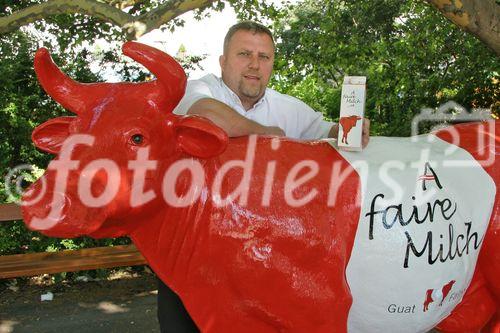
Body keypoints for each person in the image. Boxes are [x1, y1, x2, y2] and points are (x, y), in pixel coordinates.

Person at [158, 21, 370, 332]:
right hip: (193, 260)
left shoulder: (288, 107)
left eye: (265, 57)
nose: (255, 65)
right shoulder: (199, 89)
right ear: (223, 61)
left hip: (255, 266)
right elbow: (204, 114)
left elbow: (324, 132)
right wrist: (266, 134)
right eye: (244, 54)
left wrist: (347, 129)